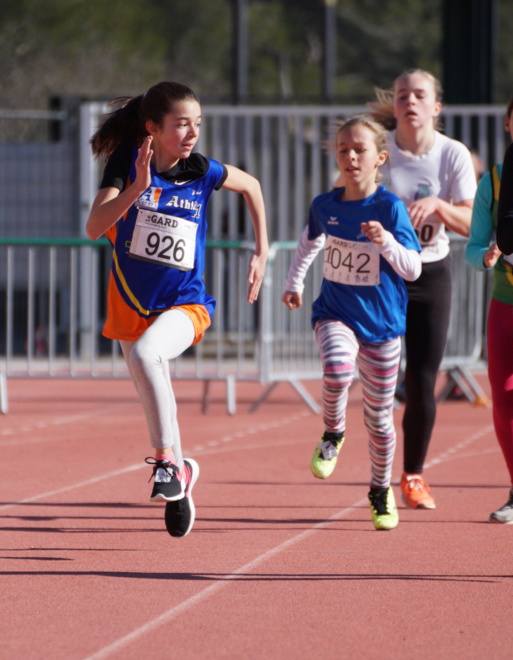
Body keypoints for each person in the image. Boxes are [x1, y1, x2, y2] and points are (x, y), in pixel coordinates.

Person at [86, 81, 268, 538]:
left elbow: (251, 186)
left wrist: (262, 252)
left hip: (186, 303)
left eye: (197, 124)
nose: (192, 133)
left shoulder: (202, 170)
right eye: (182, 124)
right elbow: (94, 226)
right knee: (154, 391)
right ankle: (181, 478)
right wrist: (137, 189)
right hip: (131, 302)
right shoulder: (127, 163)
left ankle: (168, 463)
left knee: (149, 355)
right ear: (153, 128)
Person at [282, 115, 421, 530]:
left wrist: (386, 241)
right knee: (338, 370)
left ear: (380, 158)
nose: (351, 157)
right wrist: (294, 282)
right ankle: (333, 433)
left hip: (382, 324)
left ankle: (380, 490)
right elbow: (308, 244)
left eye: (360, 149)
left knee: (380, 420)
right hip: (335, 312)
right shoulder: (325, 206)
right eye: (343, 150)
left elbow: (413, 269)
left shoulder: (389, 208)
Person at [368, 69, 477, 510]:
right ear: (394, 106)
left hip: (430, 273)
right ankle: (359, 456)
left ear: (436, 106)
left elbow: (472, 222)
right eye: (402, 95)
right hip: (382, 275)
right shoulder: (378, 152)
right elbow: (346, 196)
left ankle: (412, 476)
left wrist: (438, 205)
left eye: (419, 95)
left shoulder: (452, 154)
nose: (409, 101)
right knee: (376, 375)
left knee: (421, 378)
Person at [467, 99, 513, 523]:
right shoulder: (494, 182)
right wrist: (486, 255)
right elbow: (473, 247)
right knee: (503, 400)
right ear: (508, 124)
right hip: (506, 303)